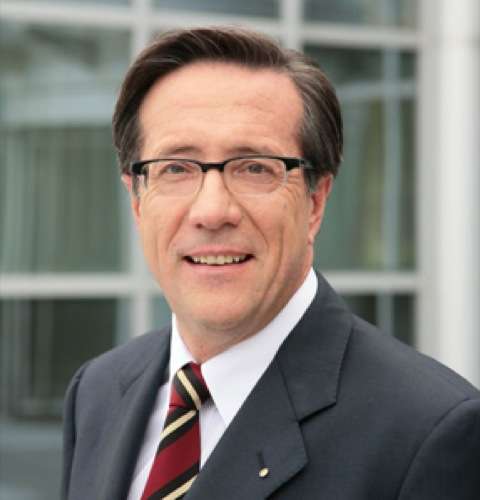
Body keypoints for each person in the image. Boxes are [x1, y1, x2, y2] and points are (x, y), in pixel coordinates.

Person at [62, 27, 480, 500]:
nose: (212, 211)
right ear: (137, 201)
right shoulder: (96, 392)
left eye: (255, 168)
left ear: (315, 202)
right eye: (176, 168)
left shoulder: (429, 432)